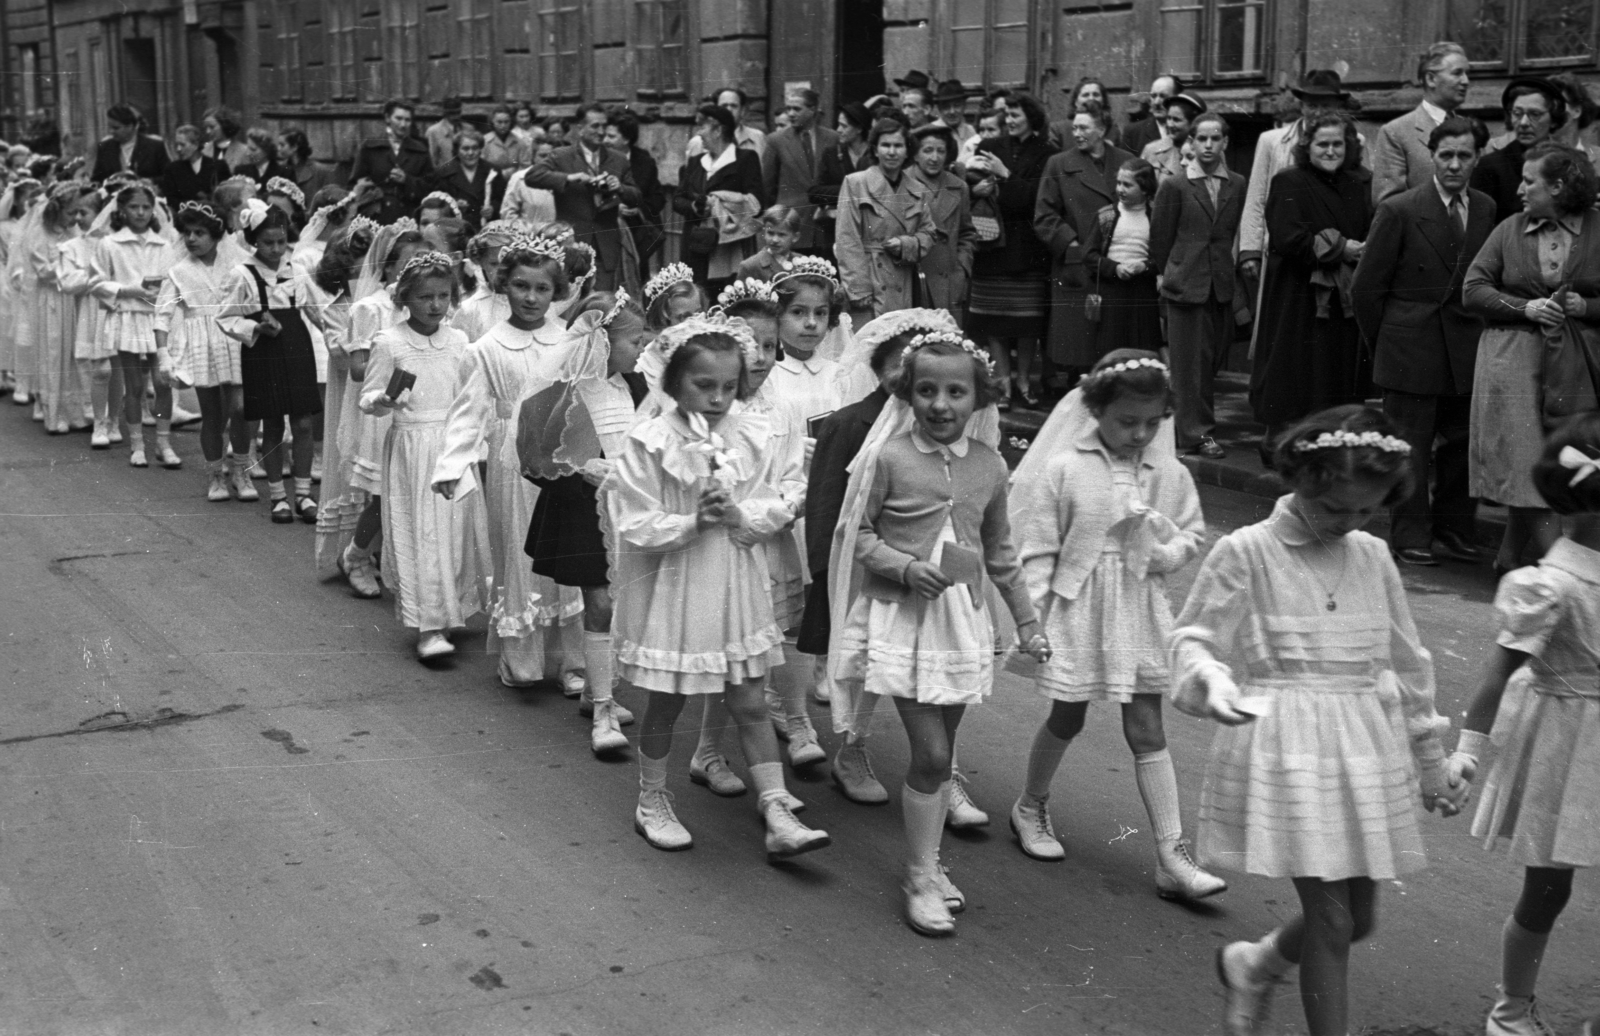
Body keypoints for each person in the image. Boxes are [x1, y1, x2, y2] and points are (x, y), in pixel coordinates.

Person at [1177, 406, 1466, 1036]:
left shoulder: (1374, 556)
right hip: (1289, 748)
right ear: (1302, 479)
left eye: (1367, 511)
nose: (1350, 523)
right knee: (1334, 922)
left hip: (1363, 746)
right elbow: (1192, 640)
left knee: (1359, 919)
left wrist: (1432, 763)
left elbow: (1409, 663)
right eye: (1337, 509)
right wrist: (1213, 678)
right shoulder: (1245, 551)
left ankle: (1255, 963)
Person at [829, 330, 1050, 935]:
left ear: (980, 398)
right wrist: (905, 566)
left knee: (942, 755)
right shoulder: (890, 457)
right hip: (902, 619)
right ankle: (921, 876)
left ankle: (929, 861)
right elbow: (859, 534)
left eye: (957, 391)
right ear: (908, 393)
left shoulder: (990, 464)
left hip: (962, 623)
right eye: (927, 390)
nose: (942, 404)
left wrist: (1027, 623)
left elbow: (1000, 550)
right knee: (930, 754)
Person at [609, 317, 830, 859]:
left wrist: (739, 514)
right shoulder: (651, 441)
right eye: (703, 386)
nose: (717, 398)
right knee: (667, 700)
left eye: (728, 387)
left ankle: (777, 809)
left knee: (750, 698)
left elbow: (779, 496)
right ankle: (652, 798)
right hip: (676, 584)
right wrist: (692, 523)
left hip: (733, 576)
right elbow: (633, 521)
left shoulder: (751, 431)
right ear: (674, 382)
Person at [1008, 350, 1224, 901]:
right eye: (1128, 422)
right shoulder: (1066, 468)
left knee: (1147, 725)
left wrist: (1161, 553)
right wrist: (1031, 620)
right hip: (1079, 605)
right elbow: (1038, 550)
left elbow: (1192, 534)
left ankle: (1171, 854)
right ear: (1096, 410)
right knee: (1068, 713)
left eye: (1153, 423)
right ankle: (1030, 806)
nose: (1141, 433)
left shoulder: (1168, 472)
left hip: (1137, 604)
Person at [1449, 416, 1600, 1036]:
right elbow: (1494, 674)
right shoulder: (1553, 586)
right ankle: (1511, 1008)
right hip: (1566, 742)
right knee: (1549, 886)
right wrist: (1465, 753)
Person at [433, 235, 585, 689]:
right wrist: (451, 464)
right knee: (519, 551)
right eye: (521, 286)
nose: (532, 298)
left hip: (565, 458)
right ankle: (522, 659)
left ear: (555, 290)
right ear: (504, 287)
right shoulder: (487, 348)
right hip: (512, 459)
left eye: (541, 288)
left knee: (569, 553)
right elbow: (467, 413)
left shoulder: (571, 340)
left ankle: (574, 661)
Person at [1351, 116, 1494, 568]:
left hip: (1465, 348)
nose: (1454, 164)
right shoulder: (1401, 209)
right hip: (1410, 348)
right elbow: (1365, 289)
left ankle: (1455, 528)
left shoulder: (1487, 208)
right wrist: (1389, 343)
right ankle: (1410, 533)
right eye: (1445, 155)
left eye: (1464, 156)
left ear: (1477, 158)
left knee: (1461, 446)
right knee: (1409, 446)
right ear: (1431, 156)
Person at [1464, 141, 1600, 576]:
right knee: (1523, 465)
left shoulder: (1598, 229)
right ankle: (1559, 572)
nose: (1520, 190)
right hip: (1514, 362)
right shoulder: (1509, 229)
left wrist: (1588, 308)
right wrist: (1525, 308)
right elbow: (1473, 289)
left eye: (1529, 181)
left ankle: (1508, 560)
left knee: (1560, 460)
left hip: (1577, 363)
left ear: (1558, 187)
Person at [357, 251, 489, 659]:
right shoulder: (390, 342)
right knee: (421, 532)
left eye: (444, 296)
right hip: (412, 447)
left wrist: (474, 450)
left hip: (451, 444)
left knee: (452, 532)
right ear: (405, 299)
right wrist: (383, 399)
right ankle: (427, 626)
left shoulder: (460, 342)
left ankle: (450, 611)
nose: (435, 306)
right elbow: (367, 398)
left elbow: (469, 399)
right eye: (425, 297)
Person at [1249, 112, 1374, 444]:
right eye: (1323, 144)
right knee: (1296, 370)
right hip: (1299, 298)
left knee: (1338, 372)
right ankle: (1285, 443)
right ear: (1308, 146)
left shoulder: (1360, 182)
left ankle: (1331, 441)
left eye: (1337, 144)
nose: (1331, 151)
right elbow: (1287, 237)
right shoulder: (1289, 181)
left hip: (1343, 300)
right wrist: (1340, 247)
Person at [216, 201, 326, 522]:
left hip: (296, 346)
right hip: (263, 350)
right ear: (253, 241)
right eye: (268, 242)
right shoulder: (241, 274)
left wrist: (336, 340)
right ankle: (278, 496)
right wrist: (253, 327)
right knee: (274, 424)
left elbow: (317, 312)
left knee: (303, 422)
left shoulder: (298, 271)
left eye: (281, 242)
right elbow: (225, 316)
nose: (276, 249)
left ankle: (303, 494)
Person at [1150, 111, 1247, 459]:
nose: (1208, 145)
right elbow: (1160, 238)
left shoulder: (1236, 182)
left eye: (1215, 138)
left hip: (1219, 284)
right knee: (1188, 364)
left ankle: (1186, 425)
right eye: (1201, 139)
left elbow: (1229, 232)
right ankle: (1195, 434)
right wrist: (1174, 272)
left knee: (1209, 361)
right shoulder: (1175, 184)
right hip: (1185, 284)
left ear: (1225, 142)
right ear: (1191, 142)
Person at [156, 201, 253, 500]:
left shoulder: (237, 264)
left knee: (240, 409)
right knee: (212, 415)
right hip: (201, 342)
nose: (191, 239)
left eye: (200, 232)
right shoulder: (179, 271)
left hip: (235, 338)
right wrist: (163, 352)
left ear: (216, 235)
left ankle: (241, 470)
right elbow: (162, 313)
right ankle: (215, 477)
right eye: (187, 232)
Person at [1034, 101, 1132, 388]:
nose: (1076, 133)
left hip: (1117, 262)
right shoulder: (1059, 164)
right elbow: (1044, 215)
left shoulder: (1125, 162)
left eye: (1083, 127)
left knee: (1113, 345)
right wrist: (1072, 244)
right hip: (1077, 266)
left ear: (1101, 130)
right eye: (1074, 127)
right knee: (1079, 345)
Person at [527, 104, 642, 293]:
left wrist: (619, 188)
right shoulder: (562, 156)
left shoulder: (618, 159)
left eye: (604, 126)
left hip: (605, 245)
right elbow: (532, 176)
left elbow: (636, 198)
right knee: (569, 299)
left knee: (601, 301)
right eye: (595, 126)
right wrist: (569, 178)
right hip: (570, 243)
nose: (601, 131)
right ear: (580, 129)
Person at [835, 118, 933, 320]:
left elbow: (928, 233)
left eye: (898, 146)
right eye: (885, 145)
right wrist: (858, 288)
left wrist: (907, 244)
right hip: (869, 279)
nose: (891, 152)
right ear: (875, 149)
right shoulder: (856, 183)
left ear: (907, 150)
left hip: (903, 280)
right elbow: (847, 237)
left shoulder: (917, 189)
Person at [672, 104, 764, 292]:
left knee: (727, 293)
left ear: (718, 130)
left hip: (730, 246)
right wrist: (696, 208)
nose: (699, 134)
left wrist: (722, 201)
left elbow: (757, 202)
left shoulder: (745, 159)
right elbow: (677, 200)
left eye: (703, 128)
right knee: (697, 293)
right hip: (697, 244)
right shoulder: (695, 162)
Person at [32, 183, 98, 436]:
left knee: (74, 354)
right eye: (71, 213)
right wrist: (73, 270)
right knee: (54, 351)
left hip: (74, 298)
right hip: (53, 298)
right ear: (57, 210)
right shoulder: (40, 234)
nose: (75, 219)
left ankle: (76, 412)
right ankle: (53, 413)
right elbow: (44, 271)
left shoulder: (72, 234)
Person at [1084, 158, 1163, 367]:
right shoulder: (1106, 216)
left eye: (1127, 185)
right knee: (1111, 350)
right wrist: (1115, 268)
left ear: (1145, 189)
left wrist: (1144, 267)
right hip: (1112, 291)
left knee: (1142, 349)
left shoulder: (1155, 216)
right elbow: (1089, 255)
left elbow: (1164, 256)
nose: (1120, 189)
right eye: (1118, 183)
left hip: (1143, 292)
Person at [1372, 42, 1471, 202]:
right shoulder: (1396, 132)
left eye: (1466, 73)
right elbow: (1388, 203)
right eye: (1457, 73)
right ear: (1431, 79)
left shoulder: (1471, 130)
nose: (1465, 81)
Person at [903, 124, 975, 323]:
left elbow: (967, 233)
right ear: (915, 154)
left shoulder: (958, 186)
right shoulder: (901, 183)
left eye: (940, 151)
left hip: (949, 281)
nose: (934, 158)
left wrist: (961, 268)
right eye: (927, 150)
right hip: (912, 280)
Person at [1472, 77, 1567, 223]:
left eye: (1535, 114)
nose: (1523, 123)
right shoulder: (1490, 167)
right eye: (1517, 113)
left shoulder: (1570, 164)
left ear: (1553, 119)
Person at [762, 88, 838, 257]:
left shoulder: (832, 138)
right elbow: (768, 186)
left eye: (796, 109)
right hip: (790, 224)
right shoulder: (776, 140)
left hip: (824, 224)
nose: (790, 113)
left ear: (813, 110)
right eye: (788, 108)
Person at [348, 99, 434, 225]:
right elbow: (354, 185)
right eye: (398, 118)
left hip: (408, 218)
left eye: (407, 120)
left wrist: (407, 181)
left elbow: (431, 187)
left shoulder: (420, 150)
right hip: (375, 218)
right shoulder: (370, 147)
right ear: (388, 118)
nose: (403, 124)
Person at [605, 109, 666, 281]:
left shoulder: (644, 162)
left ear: (626, 139)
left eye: (611, 136)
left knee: (636, 280)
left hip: (636, 236)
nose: (605, 141)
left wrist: (638, 209)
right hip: (606, 234)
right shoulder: (598, 159)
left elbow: (658, 197)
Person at [812, 102, 875, 251]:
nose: (838, 130)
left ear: (859, 128)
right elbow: (815, 192)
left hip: (870, 230)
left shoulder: (875, 155)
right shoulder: (831, 153)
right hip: (836, 230)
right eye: (838, 125)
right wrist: (851, 191)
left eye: (844, 126)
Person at [429, 127, 501, 230]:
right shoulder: (443, 172)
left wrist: (493, 208)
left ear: (481, 149)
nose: (471, 153)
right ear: (457, 150)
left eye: (475, 148)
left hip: (485, 228)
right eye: (465, 149)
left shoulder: (493, 171)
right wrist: (453, 204)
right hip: (455, 229)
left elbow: (501, 198)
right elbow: (436, 201)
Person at [90, 105, 169, 184]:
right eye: (110, 127)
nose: (111, 131)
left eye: (116, 128)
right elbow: (97, 179)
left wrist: (151, 181)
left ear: (130, 126)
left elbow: (169, 176)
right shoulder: (105, 147)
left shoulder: (155, 146)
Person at [685, 88, 768, 161]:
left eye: (734, 106)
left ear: (742, 111)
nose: (729, 110)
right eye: (724, 106)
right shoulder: (698, 143)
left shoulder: (758, 138)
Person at [1142, 93, 1205, 183]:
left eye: (1176, 120)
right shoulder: (1152, 150)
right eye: (1168, 118)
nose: (1170, 124)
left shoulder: (1206, 152)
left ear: (1193, 123)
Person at [163, 125, 229, 207]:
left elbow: (225, 199)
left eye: (182, 145)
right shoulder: (172, 169)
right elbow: (171, 201)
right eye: (177, 145)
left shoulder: (218, 166)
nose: (178, 149)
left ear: (196, 144)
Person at [498, 139, 558, 227]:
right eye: (543, 156)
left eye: (551, 156)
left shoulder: (566, 179)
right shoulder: (519, 179)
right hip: (529, 236)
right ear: (533, 157)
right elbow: (507, 213)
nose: (547, 160)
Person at [1121, 75, 1183, 158]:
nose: (1157, 102)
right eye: (1153, 96)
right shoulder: (1133, 133)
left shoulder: (1187, 130)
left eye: (1163, 96)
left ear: (1177, 98)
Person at [736, 205, 800, 281]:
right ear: (764, 232)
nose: (775, 240)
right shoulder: (749, 266)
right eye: (770, 233)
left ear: (795, 237)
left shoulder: (802, 262)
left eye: (781, 234)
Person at [276, 128, 337, 203]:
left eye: (282, 145)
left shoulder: (320, 171)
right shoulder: (279, 169)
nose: (278, 148)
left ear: (294, 147)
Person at [484, 105, 532, 173]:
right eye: (499, 122)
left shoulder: (519, 142)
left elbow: (525, 167)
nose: (503, 126)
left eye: (506, 122)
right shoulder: (485, 141)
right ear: (493, 122)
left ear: (511, 122)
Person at [425, 96, 466, 172]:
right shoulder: (433, 132)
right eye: (452, 113)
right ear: (445, 113)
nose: (456, 116)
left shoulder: (468, 129)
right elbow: (432, 161)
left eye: (458, 112)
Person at [933, 79, 975, 150]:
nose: (952, 111)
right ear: (939, 109)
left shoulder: (970, 131)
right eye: (946, 107)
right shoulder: (932, 131)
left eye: (957, 105)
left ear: (964, 106)